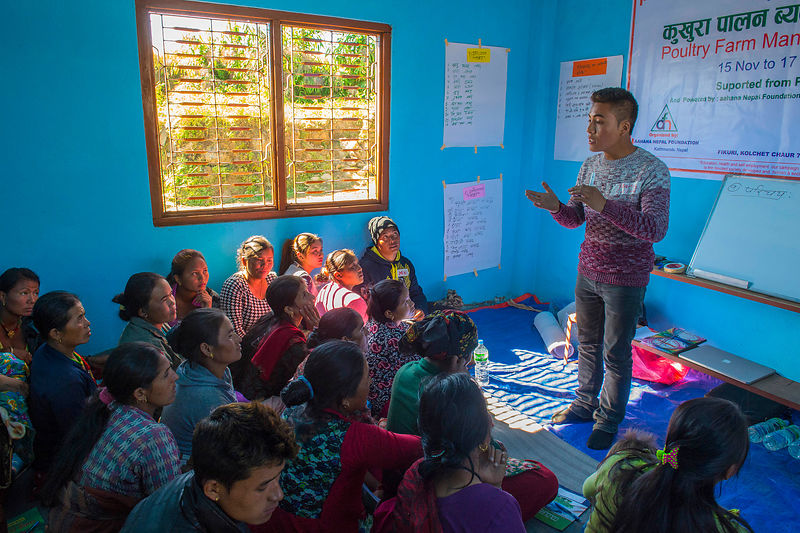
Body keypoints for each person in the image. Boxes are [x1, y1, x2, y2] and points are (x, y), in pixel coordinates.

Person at [525, 87, 670, 449]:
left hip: (625, 278)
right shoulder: (590, 165)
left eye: (599, 121)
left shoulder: (652, 170)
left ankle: (608, 419)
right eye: (589, 120)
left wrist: (605, 205)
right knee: (587, 344)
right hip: (588, 270)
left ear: (624, 126)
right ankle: (585, 403)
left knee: (615, 351)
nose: (589, 129)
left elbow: (655, 228)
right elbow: (576, 219)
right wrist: (556, 206)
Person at [258, 340, 422, 532]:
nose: (371, 381)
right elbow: (416, 447)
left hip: (273, 519)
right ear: (345, 399)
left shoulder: (293, 409)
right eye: (367, 376)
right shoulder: (355, 436)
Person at [373, 373, 558, 532]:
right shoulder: (500, 508)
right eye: (486, 414)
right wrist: (496, 492)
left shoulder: (417, 472)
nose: (492, 422)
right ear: (481, 433)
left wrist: (493, 490)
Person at [41, 342, 180, 532]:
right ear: (140, 393)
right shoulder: (153, 436)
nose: (175, 376)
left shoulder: (106, 406)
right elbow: (167, 505)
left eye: (170, 368)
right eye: (166, 374)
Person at [121, 402, 298, 533]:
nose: (278, 495)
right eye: (263, 486)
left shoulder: (204, 474)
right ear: (213, 489)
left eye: (277, 478)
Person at [582, 397, 753, 533]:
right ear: (730, 470)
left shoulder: (620, 466)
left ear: (672, 441)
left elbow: (587, 489)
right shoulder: (725, 527)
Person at [29, 291, 97, 475]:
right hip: (65, 465)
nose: (87, 323)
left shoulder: (47, 350)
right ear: (56, 333)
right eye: (80, 319)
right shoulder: (67, 382)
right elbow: (79, 437)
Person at [161, 308, 241, 462]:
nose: (239, 339)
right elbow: (228, 451)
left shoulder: (193, 368)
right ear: (206, 349)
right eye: (230, 336)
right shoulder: (207, 399)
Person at [386, 310, 477, 436]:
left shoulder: (406, 370)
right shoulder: (451, 392)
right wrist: (462, 384)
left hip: (397, 450)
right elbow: (474, 438)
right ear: (462, 358)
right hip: (420, 454)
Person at [229, 276, 318, 402]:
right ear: (288, 309)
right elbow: (313, 373)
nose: (312, 297)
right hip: (260, 403)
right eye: (304, 295)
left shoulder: (269, 319)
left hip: (240, 389)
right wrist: (320, 331)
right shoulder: (292, 341)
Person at [364, 280, 416, 418]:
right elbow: (423, 363)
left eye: (409, 298)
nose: (412, 304)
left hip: (377, 398)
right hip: (390, 403)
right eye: (405, 302)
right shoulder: (394, 339)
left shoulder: (374, 323)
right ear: (389, 313)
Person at [358, 216, 427, 317]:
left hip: (407, 318)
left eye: (395, 234)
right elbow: (366, 304)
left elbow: (415, 293)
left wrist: (420, 309)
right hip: (383, 322)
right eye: (385, 236)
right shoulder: (366, 268)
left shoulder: (405, 264)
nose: (392, 240)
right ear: (377, 241)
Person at [114, 272, 181, 369]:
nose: (172, 302)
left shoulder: (158, 322)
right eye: (164, 299)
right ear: (143, 311)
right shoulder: (149, 347)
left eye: (171, 294)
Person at [220, 236, 278, 338]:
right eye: (259, 260)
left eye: (269, 260)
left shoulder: (272, 279)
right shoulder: (235, 285)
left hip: (271, 339)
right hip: (246, 347)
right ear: (244, 261)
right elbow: (234, 331)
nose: (265, 265)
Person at [166, 249, 220, 327]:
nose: (202, 278)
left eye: (205, 271)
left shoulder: (213, 298)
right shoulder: (164, 297)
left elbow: (214, 335)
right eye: (194, 273)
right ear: (178, 279)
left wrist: (207, 311)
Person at [0, 267, 41, 364]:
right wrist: (7, 353)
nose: (32, 300)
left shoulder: (35, 327)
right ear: (2, 296)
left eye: (36, 293)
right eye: (24, 293)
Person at [314, 249, 368, 323]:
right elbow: (364, 332)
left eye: (357, 264)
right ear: (338, 275)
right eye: (353, 267)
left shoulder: (324, 291)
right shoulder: (354, 301)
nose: (359, 268)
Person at [278, 233, 324, 297]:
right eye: (315, 251)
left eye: (321, 250)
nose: (321, 255)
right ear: (300, 256)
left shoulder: (293, 270)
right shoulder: (303, 278)